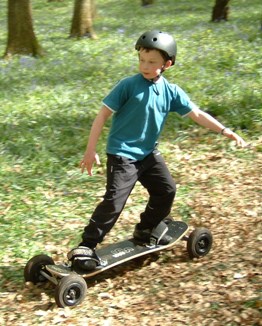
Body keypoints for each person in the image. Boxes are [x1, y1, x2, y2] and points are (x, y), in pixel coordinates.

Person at [68, 30, 246, 270]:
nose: (145, 65)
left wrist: (225, 130)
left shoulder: (171, 92)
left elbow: (197, 114)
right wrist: (90, 150)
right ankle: (86, 246)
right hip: (122, 154)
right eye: (142, 60)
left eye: (152, 62)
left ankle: (146, 229)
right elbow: (102, 115)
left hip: (148, 154)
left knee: (166, 190)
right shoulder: (128, 85)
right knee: (114, 201)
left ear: (167, 64)